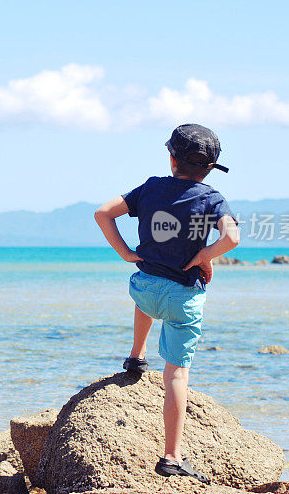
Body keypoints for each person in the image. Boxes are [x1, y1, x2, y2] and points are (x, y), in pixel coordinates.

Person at [93, 124, 240, 485]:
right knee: (176, 373)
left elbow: (102, 213)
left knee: (148, 291)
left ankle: (136, 354)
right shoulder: (213, 198)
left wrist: (126, 253)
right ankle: (172, 457)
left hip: (143, 287)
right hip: (182, 297)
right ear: (209, 169)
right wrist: (205, 256)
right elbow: (232, 237)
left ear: (171, 158)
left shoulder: (152, 187)